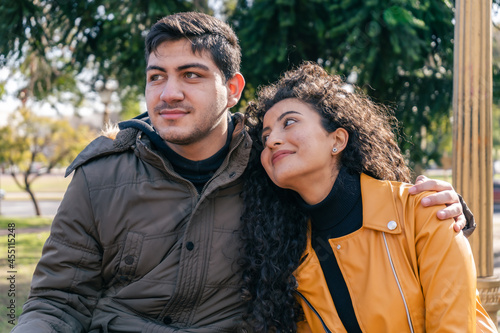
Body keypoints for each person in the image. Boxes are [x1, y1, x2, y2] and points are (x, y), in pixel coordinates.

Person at [13, 13, 472, 333]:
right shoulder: (100, 176)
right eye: (157, 76)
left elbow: (346, 194)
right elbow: (56, 301)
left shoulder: (270, 163)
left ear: (232, 89)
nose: (169, 92)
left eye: (191, 74)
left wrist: (447, 212)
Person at [240, 62, 496, 332]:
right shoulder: (286, 258)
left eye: (288, 123)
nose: (271, 141)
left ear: (337, 140)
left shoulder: (426, 211)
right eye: (265, 136)